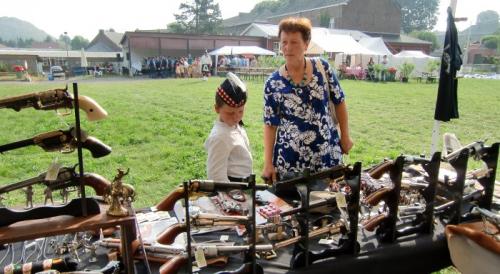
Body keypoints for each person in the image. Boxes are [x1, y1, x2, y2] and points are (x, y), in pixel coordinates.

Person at [262, 17, 353, 189]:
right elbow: (270, 125)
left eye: (294, 42)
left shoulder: (322, 68)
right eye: (284, 42)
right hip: (289, 164)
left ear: (306, 43)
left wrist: (346, 136)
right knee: (292, 212)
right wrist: (268, 163)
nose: (288, 48)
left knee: (329, 209)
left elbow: (339, 102)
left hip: (327, 158)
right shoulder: (272, 83)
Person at [204, 72, 252, 182]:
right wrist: (234, 196)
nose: (236, 117)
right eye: (230, 113)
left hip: (244, 186)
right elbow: (216, 176)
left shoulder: (234, 126)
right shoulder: (220, 137)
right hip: (233, 190)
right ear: (217, 109)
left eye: (241, 111)